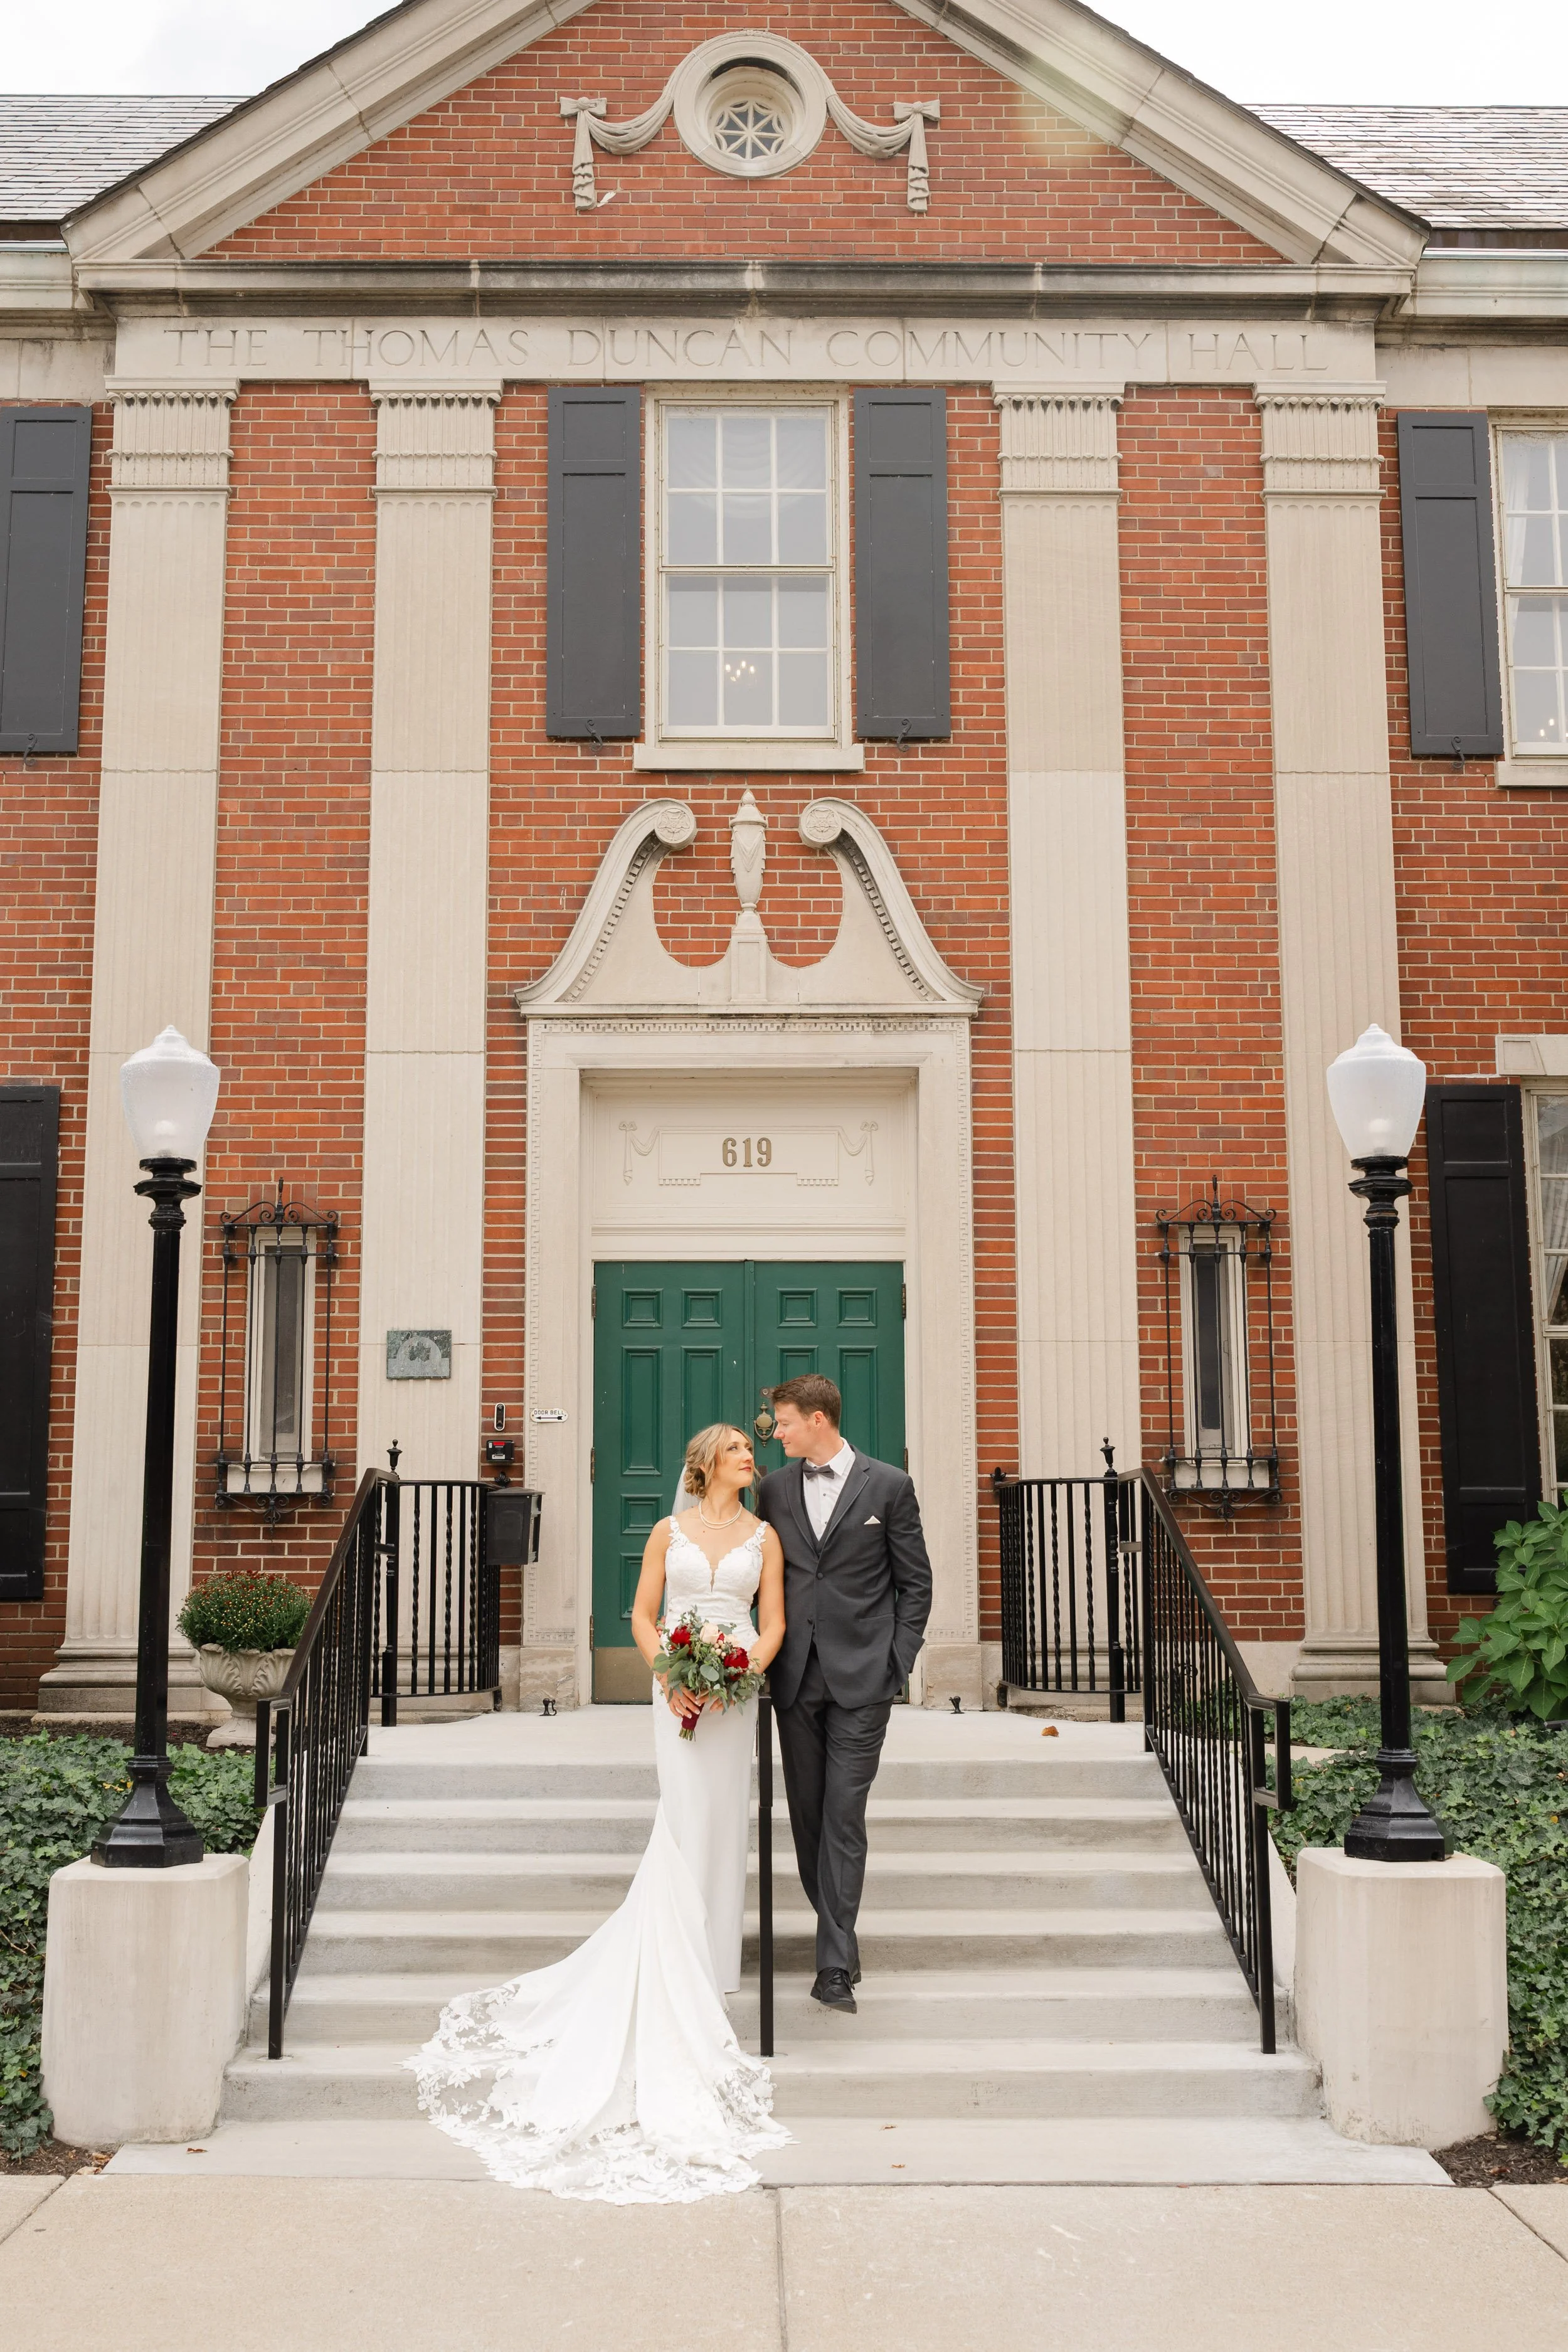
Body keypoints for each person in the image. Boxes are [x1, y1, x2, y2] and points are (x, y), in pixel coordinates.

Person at [410, 1424, 789, 2202]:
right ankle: (677, 1954)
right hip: (676, 1689)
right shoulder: (666, 1531)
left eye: (753, 1452)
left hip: (734, 1693)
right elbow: (643, 1614)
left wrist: (736, 1672)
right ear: (708, 1463)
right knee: (685, 1815)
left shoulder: (765, 1536)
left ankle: (716, 1959)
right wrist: (670, 1674)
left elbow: (774, 1621)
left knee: (726, 1815)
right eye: (739, 1452)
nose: (753, 1459)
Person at [756, 1375, 933, 2015]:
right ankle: (841, 1937)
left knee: (842, 1816)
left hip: (865, 1680)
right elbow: (759, 1576)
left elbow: (915, 1584)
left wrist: (897, 1660)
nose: (775, 1433)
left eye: (784, 1422)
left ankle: (833, 1966)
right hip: (796, 1679)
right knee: (807, 1819)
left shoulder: (888, 1486)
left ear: (819, 1419)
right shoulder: (773, 1490)